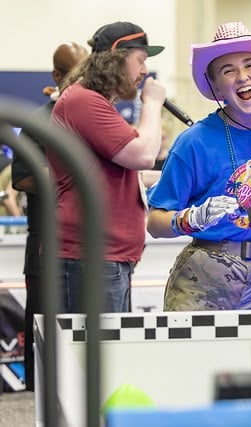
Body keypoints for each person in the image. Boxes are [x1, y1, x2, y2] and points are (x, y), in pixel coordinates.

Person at [146, 22, 251, 311]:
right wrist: (191, 218)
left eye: (250, 65)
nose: (242, 77)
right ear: (215, 86)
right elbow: (155, 221)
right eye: (228, 71)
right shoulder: (193, 142)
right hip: (202, 280)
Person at [48, 22, 166, 313]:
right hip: (92, 258)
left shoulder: (90, 101)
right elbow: (142, 155)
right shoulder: (83, 101)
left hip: (103, 257)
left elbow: (125, 173)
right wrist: (152, 104)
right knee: (96, 355)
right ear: (116, 58)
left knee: (108, 353)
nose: (144, 71)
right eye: (140, 60)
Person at [11, 41, 88, 390]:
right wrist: (74, 176)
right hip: (47, 246)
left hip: (89, 245)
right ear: (56, 76)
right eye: (74, 73)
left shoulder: (92, 118)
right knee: (45, 333)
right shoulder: (39, 122)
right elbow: (23, 177)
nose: (83, 79)